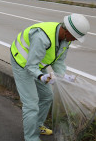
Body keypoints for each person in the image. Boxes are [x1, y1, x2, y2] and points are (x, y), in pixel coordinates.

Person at [10, 13, 90, 141]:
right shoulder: (42, 37)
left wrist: (63, 76)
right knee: (31, 104)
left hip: (37, 64)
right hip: (22, 62)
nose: (75, 40)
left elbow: (58, 61)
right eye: (75, 36)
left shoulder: (65, 39)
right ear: (66, 31)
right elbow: (30, 66)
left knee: (47, 96)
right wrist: (41, 76)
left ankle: (37, 126)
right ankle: (31, 137)